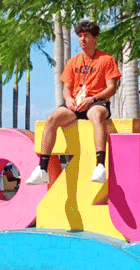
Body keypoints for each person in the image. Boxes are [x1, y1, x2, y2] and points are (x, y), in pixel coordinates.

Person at [26, 20, 121, 185]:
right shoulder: (73, 61)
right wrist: (68, 99)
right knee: (52, 119)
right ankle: (42, 169)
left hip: (96, 102)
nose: (82, 39)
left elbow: (112, 88)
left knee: (97, 115)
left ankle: (99, 166)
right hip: (75, 105)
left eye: (86, 36)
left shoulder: (106, 59)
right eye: (80, 36)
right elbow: (66, 88)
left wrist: (93, 98)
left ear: (95, 38)